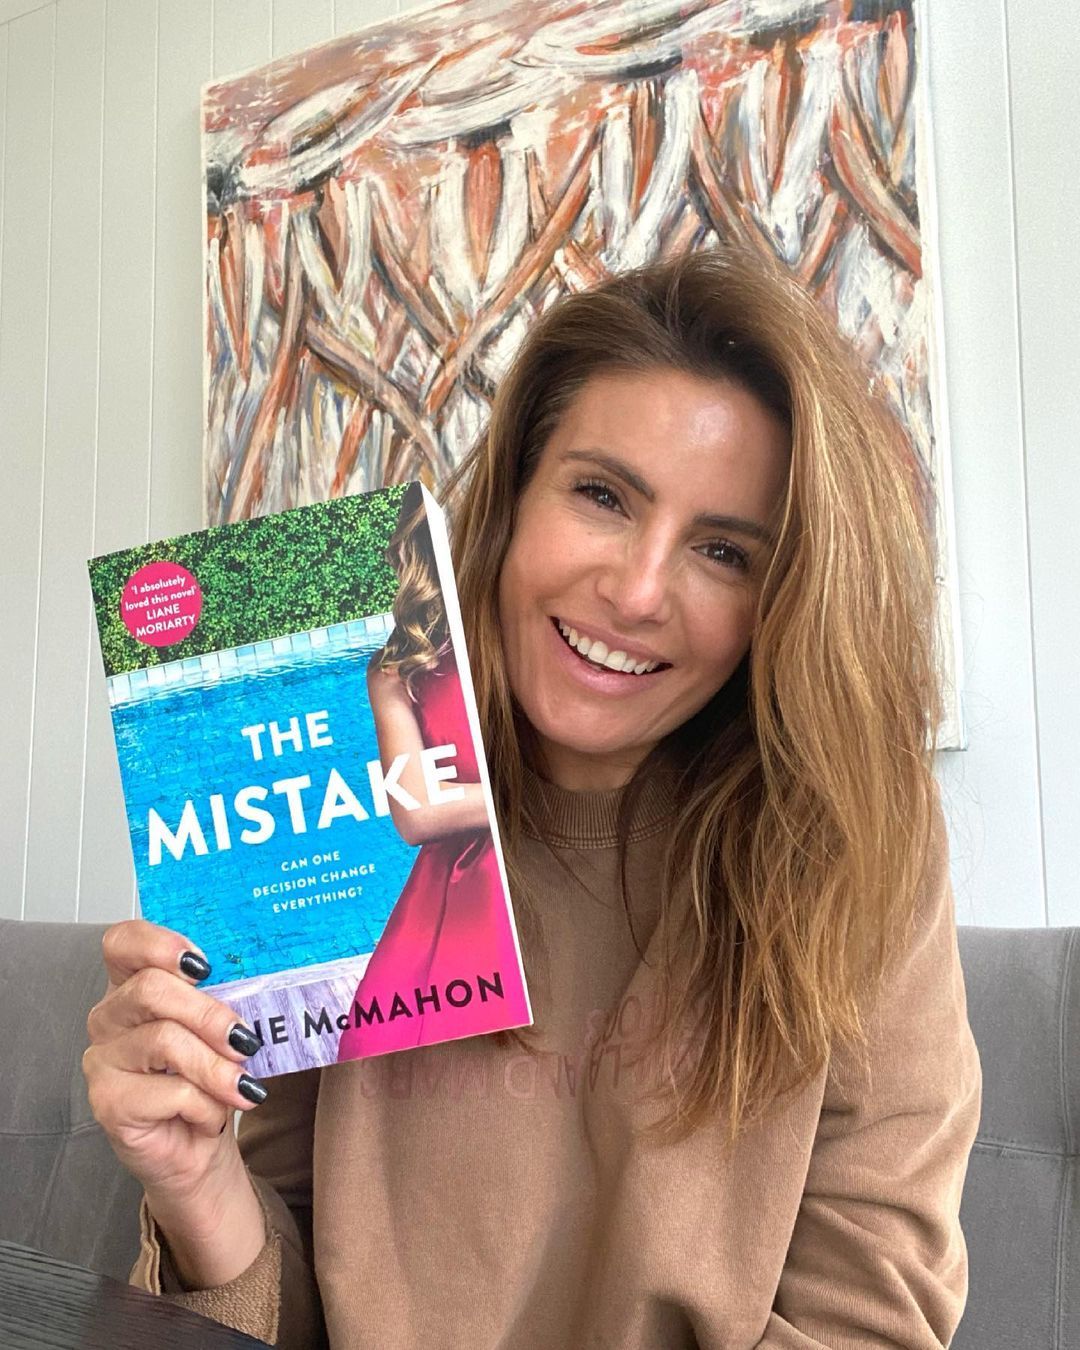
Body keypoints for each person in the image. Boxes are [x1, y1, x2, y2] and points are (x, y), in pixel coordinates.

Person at [82, 244, 981, 1350]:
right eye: (603, 496)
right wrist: (199, 1185)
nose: (637, 592)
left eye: (723, 551)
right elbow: (287, 1296)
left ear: (782, 600)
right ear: (511, 500)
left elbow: (872, 1313)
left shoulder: (855, 845)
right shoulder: (336, 789)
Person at [336, 481, 527, 1058]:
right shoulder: (397, 668)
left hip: (538, 876)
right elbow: (416, 812)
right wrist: (533, 796)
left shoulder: (532, 635)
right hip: (457, 894)